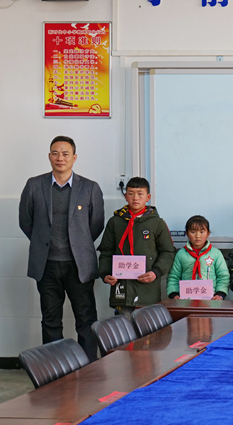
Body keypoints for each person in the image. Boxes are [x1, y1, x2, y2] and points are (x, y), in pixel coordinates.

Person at [19, 136, 104, 361]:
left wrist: (78, 244)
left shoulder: (90, 187)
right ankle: (56, 371)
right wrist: (42, 243)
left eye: (65, 154)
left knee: (86, 319)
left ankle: (88, 368)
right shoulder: (34, 185)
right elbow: (26, 221)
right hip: (46, 265)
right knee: (50, 320)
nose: (60, 158)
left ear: (74, 158)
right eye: (55, 153)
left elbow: (96, 225)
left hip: (79, 265)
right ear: (49, 156)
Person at [97, 177, 176, 317]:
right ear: (125, 196)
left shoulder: (157, 223)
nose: (135, 198)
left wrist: (155, 272)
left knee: (148, 329)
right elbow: (106, 251)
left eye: (140, 194)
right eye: (131, 193)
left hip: (148, 291)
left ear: (148, 197)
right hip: (122, 289)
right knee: (124, 327)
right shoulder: (115, 222)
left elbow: (168, 252)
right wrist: (105, 274)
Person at [167, 216, 229, 300]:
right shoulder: (181, 254)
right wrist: (174, 294)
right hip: (186, 300)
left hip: (211, 300)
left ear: (208, 234)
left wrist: (220, 294)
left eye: (202, 232)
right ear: (187, 233)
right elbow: (174, 276)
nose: (197, 236)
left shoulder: (216, 253)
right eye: (193, 232)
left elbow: (223, 276)